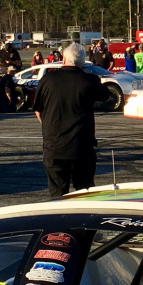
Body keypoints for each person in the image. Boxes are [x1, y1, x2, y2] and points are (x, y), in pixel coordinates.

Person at [32, 42, 109, 198]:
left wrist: (50, 126)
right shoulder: (90, 80)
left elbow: (38, 111)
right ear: (82, 62)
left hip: (54, 146)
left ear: (63, 59)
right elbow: (106, 96)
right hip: (81, 147)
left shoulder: (47, 80)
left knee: (57, 194)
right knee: (85, 193)